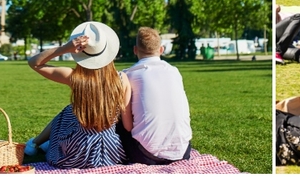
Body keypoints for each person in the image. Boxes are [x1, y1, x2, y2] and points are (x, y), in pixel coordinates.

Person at [24, 21, 131, 168]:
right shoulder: (122, 79)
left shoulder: (74, 78)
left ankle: (35, 144)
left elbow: (34, 63)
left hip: (76, 152)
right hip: (110, 152)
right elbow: (127, 124)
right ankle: (40, 144)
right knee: (71, 110)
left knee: (68, 111)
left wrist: (65, 48)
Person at [118, 27, 192, 165]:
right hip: (182, 152)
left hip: (146, 155)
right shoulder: (174, 72)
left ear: (135, 50)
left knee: (119, 117)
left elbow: (127, 126)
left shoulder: (129, 75)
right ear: (161, 50)